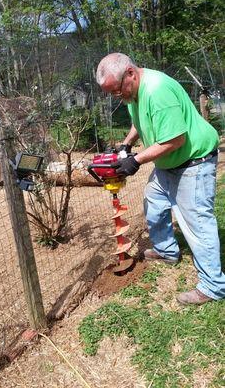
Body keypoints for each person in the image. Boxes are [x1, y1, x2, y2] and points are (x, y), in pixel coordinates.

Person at [96, 53, 225, 305]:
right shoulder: (134, 91)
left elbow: (175, 140)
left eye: (117, 91)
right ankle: (166, 251)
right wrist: (125, 145)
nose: (118, 97)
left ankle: (213, 286)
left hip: (193, 162)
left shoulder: (157, 91)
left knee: (197, 223)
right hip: (169, 163)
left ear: (130, 73)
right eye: (112, 93)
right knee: (153, 202)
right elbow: (139, 120)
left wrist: (135, 160)